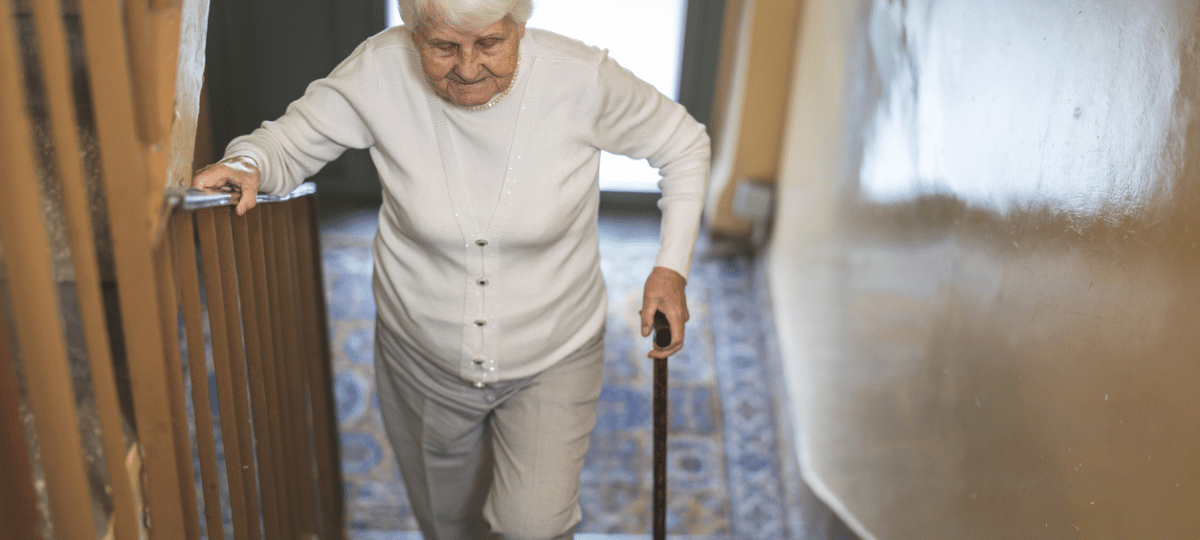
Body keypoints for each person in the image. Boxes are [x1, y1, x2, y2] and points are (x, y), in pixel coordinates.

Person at [192, 0, 709, 537]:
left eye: (490, 44)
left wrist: (670, 269)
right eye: (443, 47)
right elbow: (286, 145)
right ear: (414, 34)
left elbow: (683, 143)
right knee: (450, 524)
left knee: (535, 525)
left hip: (555, 351)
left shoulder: (580, 79)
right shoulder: (379, 70)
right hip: (421, 356)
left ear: (519, 25)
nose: (467, 68)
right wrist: (249, 163)